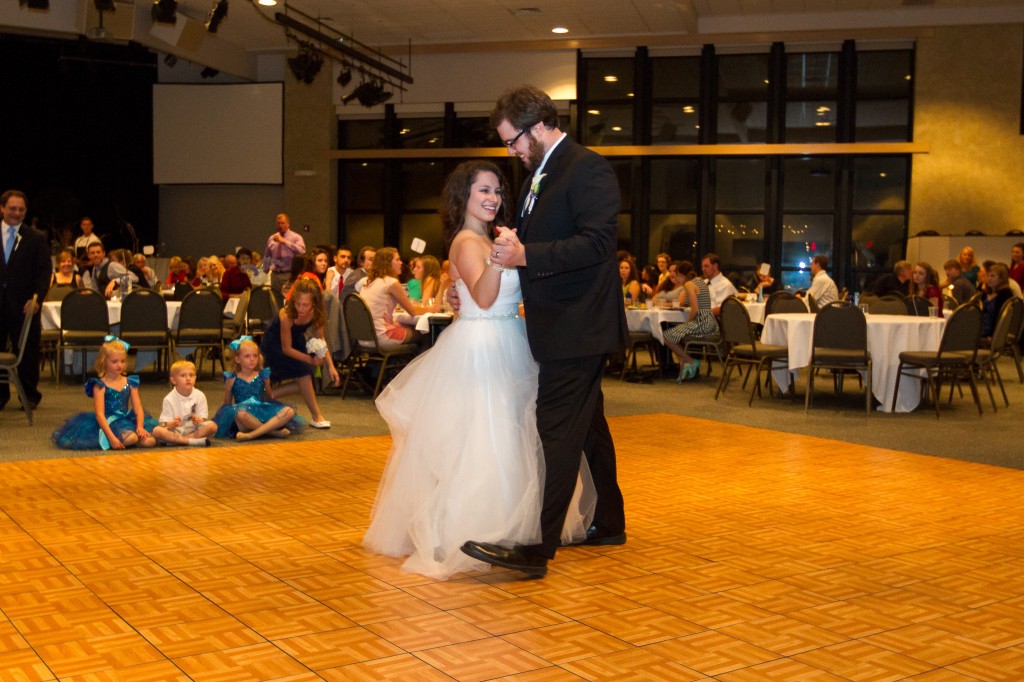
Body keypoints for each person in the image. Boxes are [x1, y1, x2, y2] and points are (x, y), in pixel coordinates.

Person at [364, 161, 596, 580]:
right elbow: (486, 297)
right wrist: (501, 258)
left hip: (507, 337)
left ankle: (515, 526)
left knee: (513, 434)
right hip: (482, 345)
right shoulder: (468, 242)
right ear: (463, 197)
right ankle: (477, 527)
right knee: (485, 438)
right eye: (483, 191)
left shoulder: (489, 239)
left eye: (496, 191)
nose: (493, 199)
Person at [461, 84, 628, 579]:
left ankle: (538, 546)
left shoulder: (586, 167)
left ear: (538, 127)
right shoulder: (545, 171)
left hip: (579, 326)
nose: (511, 152)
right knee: (588, 428)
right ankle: (610, 520)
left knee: (555, 429)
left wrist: (526, 253)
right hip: (565, 324)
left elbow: (598, 244)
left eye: (514, 141)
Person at [260, 278, 339, 428]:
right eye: (297, 304)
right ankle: (269, 396)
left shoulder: (317, 314)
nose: (300, 308)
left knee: (304, 376)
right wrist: (310, 360)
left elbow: (320, 339)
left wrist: (330, 366)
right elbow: (286, 349)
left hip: (295, 340)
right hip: (274, 344)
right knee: (303, 374)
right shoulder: (287, 315)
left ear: (314, 304)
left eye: (305, 305)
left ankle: (316, 416)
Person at [52, 337, 157, 450]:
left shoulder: (130, 382)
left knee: (150, 441)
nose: (119, 365)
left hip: (125, 419)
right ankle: (114, 440)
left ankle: (131, 438)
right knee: (132, 438)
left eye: (122, 361)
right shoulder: (100, 385)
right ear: (104, 361)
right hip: (108, 423)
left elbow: (138, 409)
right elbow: (100, 415)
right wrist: (111, 437)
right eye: (114, 361)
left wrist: (140, 427)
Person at [0, 189, 50, 412]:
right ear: (2, 208)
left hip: (25, 306)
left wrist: (37, 298)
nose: (16, 213)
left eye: (21, 209)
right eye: (12, 208)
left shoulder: (36, 238)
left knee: (28, 351)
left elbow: (43, 273)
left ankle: (29, 395)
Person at [213, 337, 302, 440]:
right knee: (241, 414)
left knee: (289, 411)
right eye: (247, 356)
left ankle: (252, 434)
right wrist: (219, 418)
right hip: (243, 415)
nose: (252, 359)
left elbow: (268, 397)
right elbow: (227, 403)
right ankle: (273, 432)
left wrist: (267, 385)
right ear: (237, 359)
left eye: (255, 356)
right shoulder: (232, 378)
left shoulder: (262, 376)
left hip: (261, 410)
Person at [359, 247, 438, 349]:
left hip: (364, 337)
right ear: (387, 263)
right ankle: (417, 365)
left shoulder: (368, 282)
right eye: (397, 260)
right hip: (382, 336)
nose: (401, 263)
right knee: (425, 333)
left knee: (404, 326)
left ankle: (395, 362)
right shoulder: (391, 282)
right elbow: (412, 311)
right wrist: (430, 309)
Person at [663, 261, 717, 381]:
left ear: (680, 274)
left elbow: (695, 309)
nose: (676, 278)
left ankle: (690, 360)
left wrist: (687, 323)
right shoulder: (699, 281)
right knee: (675, 330)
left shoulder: (688, 284)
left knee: (665, 336)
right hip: (709, 321)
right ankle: (684, 361)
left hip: (702, 323)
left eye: (676, 275)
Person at [152, 360, 216, 447]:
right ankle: (191, 441)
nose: (188, 378)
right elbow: (165, 424)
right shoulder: (169, 399)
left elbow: (203, 419)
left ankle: (181, 440)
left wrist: (198, 420)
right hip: (176, 430)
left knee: (213, 426)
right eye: (183, 375)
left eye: (191, 375)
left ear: (195, 378)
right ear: (173, 380)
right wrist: (173, 423)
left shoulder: (200, 395)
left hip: (194, 429)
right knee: (157, 431)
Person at [262, 213, 306, 302]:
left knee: (289, 300)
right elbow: (267, 255)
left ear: (288, 224)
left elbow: (302, 251)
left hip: (289, 274)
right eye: (278, 223)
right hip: (275, 275)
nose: (280, 225)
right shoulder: (272, 238)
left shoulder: (296, 237)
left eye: (282, 223)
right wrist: (265, 271)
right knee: (275, 300)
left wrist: (285, 242)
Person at [982, 263, 1015, 341]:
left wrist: (992, 334)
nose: (989, 279)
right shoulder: (985, 293)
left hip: (995, 332)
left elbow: (1001, 317)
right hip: (981, 328)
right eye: (988, 276)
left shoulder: (1005, 294)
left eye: (992, 276)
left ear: (1001, 278)